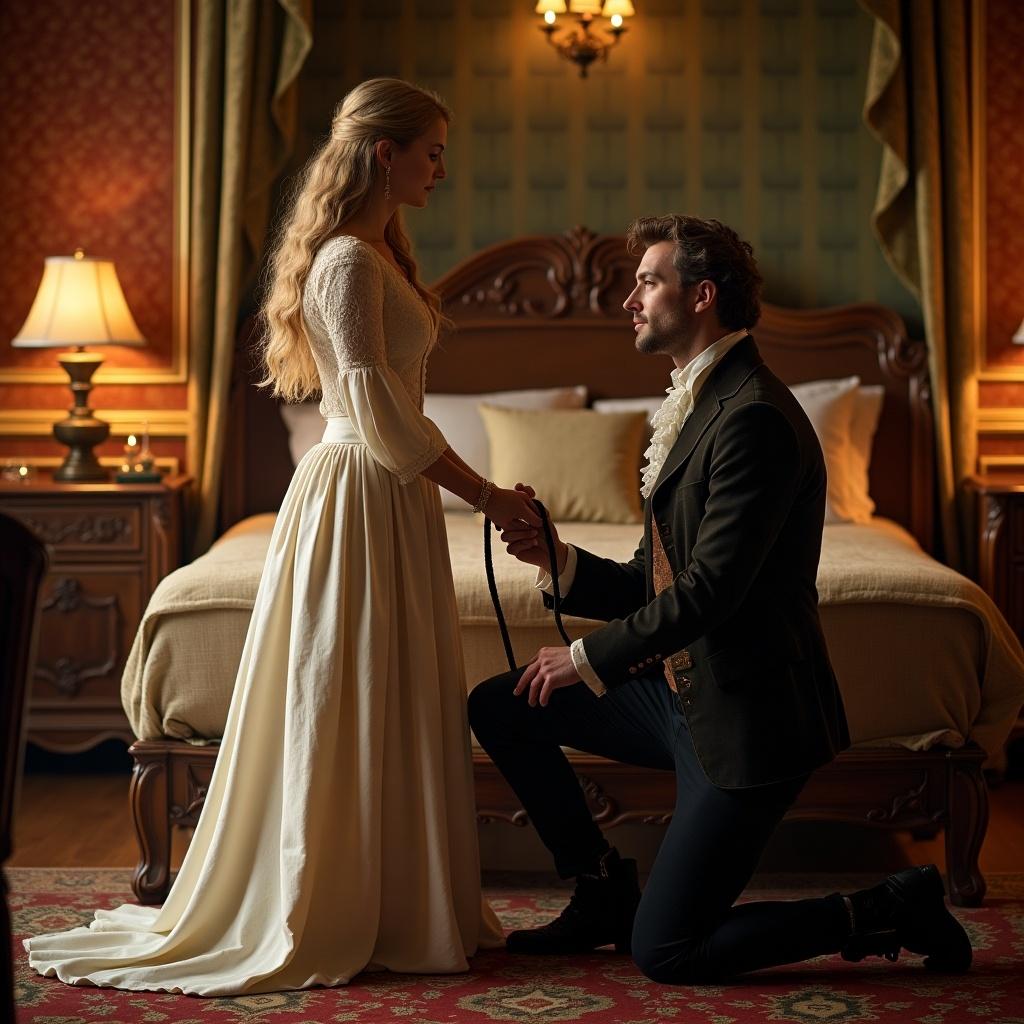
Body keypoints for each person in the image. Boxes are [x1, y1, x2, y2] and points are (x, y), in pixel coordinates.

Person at [24, 77, 539, 996]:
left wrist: (469, 492)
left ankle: (399, 900)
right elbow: (380, 417)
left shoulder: (377, 256)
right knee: (344, 689)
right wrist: (489, 495)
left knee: (387, 689)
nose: (442, 168)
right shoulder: (346, 263)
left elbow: (394, 415)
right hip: (361, 494)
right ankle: (328, 897)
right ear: (385, 153)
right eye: (432, 151)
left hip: (397, 498)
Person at [468, 214, 972, 983]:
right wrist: (557, 557)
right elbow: (655, 580)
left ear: (702, 296)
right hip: (680, 693)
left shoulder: (755, 418)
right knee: (502, 703)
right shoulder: (696, 405)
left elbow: (711, 593)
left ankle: (886, 907)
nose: (630, 300)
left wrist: (583, 659)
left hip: (747, 716)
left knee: (668, 951)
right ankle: (601, 887)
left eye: (648, 282)